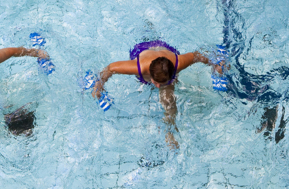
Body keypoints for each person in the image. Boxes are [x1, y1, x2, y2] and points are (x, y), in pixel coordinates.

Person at [92, 40, 223, 148]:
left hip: (166, 52)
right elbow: (110, 68)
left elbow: (197, 55)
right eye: (156, 82)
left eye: (162, 82)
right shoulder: (138, 67)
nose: (158, 86)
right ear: (150, 75)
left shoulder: (178, 63)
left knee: (168, 99)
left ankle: (169, 132)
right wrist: (99, 85)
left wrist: (216, 65)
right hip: (142, 49)